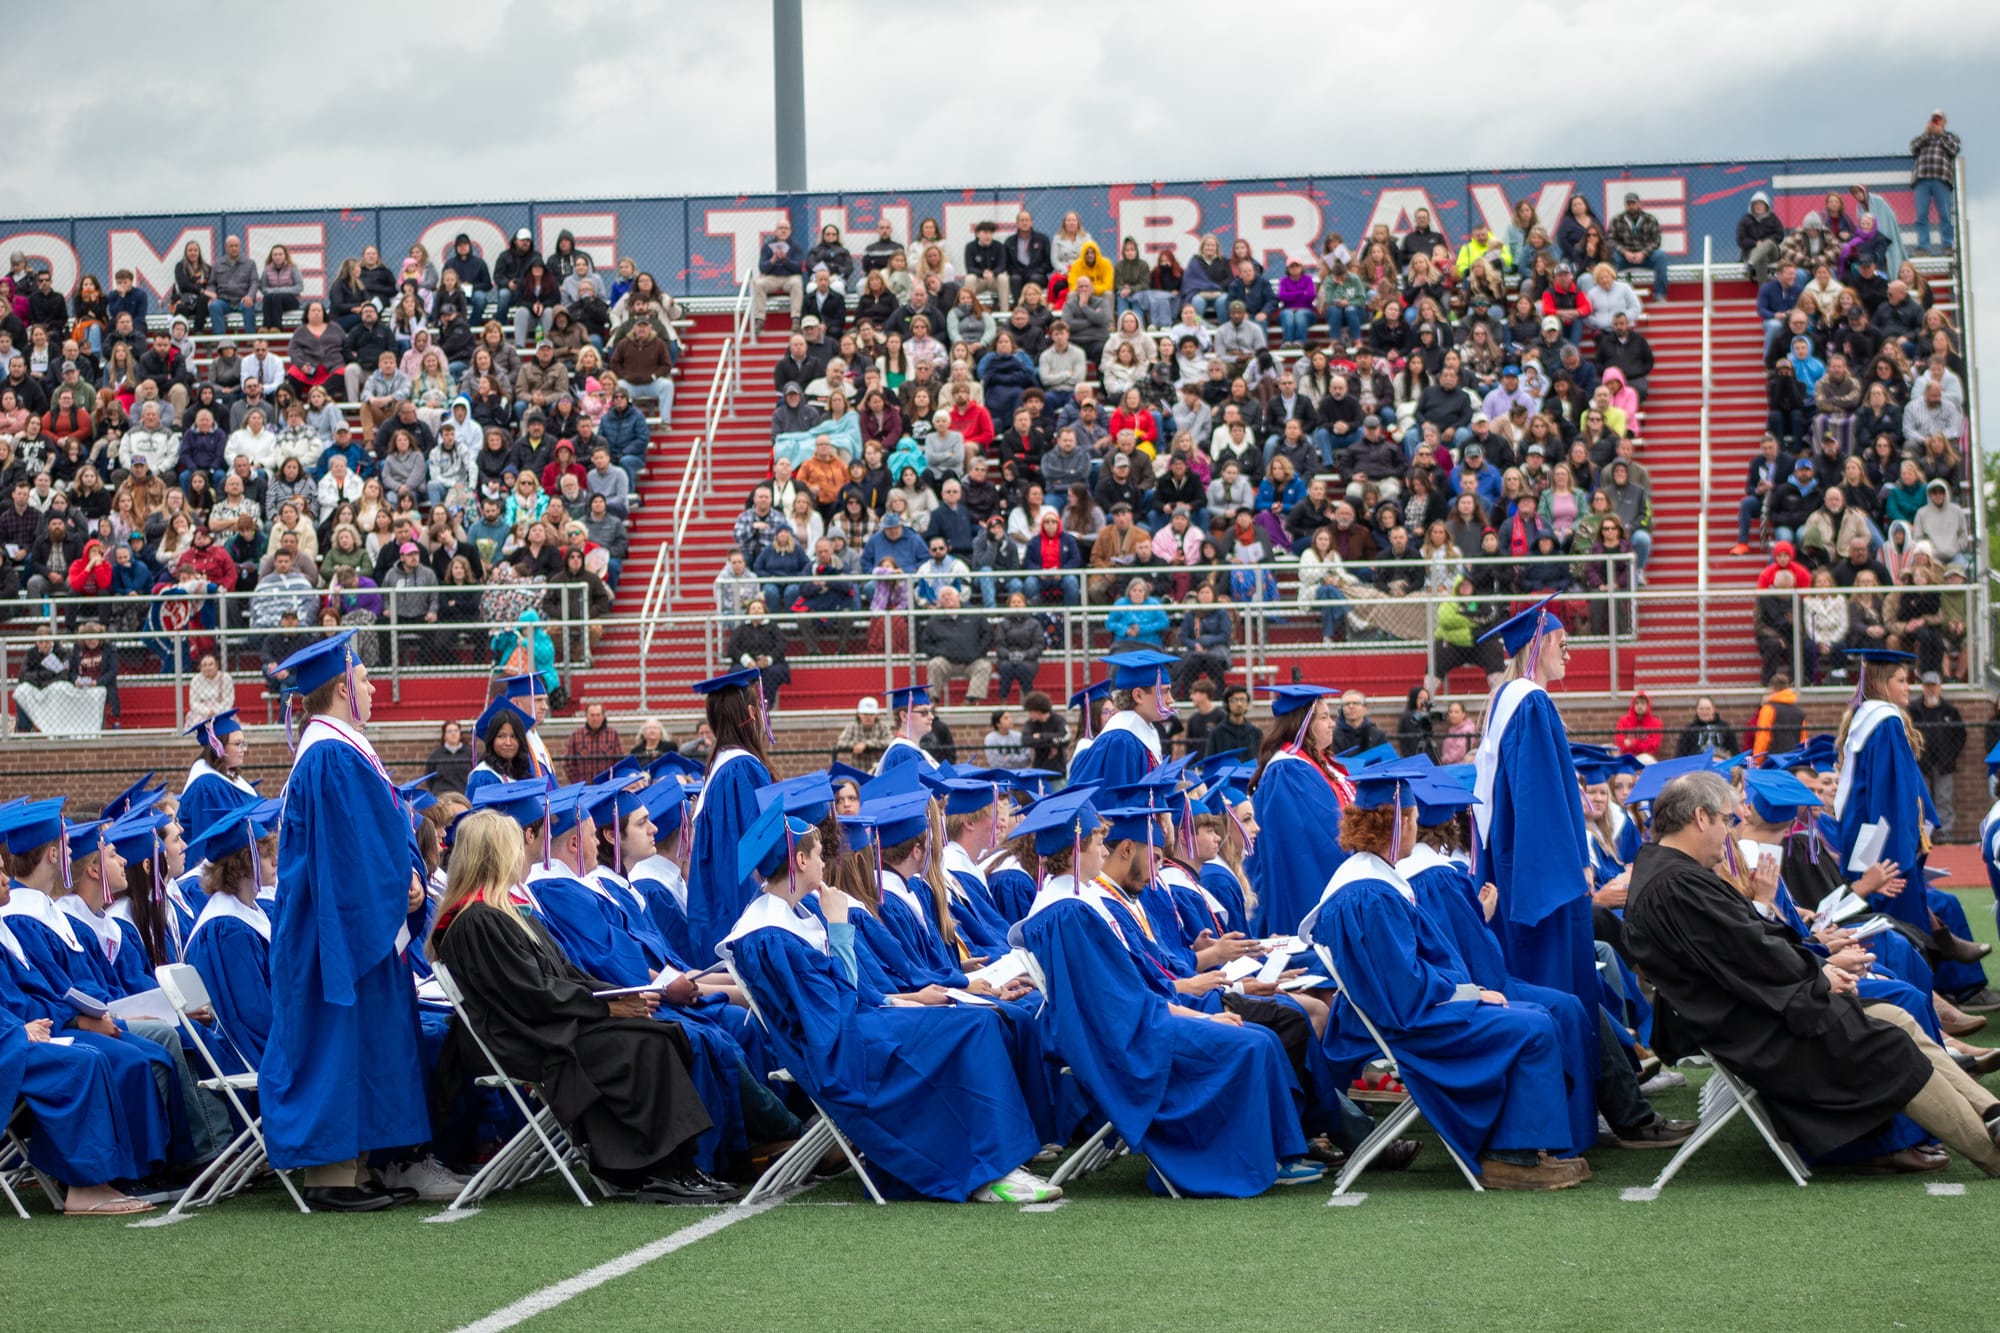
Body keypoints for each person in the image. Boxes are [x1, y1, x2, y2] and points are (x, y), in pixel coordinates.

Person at [1622, 770, 2000, 1177]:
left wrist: (1818, 967)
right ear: (1700, 817)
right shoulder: (1676, 885)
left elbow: (1748, 942)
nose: (1730, 832)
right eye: (1727, 820)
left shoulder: (1669, 874)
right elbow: (1748, 953)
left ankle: (1989, 1112)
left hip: (1748, 1008)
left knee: (1897, 1018)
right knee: (1887, 1045)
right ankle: (1989, 1152)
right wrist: (1819, 977)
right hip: (1751, 1028)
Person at [725, 800, 1060, 1203]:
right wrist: (838, 928)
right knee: (973, 1029)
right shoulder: (768, 934)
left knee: (974, 1019)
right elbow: (832, 1009)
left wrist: (896, 1001)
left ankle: (996, 1162)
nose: (824, 862)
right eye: (817, 853)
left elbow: (844, 992)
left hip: (855, 1024)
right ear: (798, 859)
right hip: (836, 1050)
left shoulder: (796, 914)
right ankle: (985, 1172)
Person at [1303, 763, 1590, 1190]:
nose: (1418, 826)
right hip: (1412, 1024)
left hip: (1414, 1010)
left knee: (1533, 1013)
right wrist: (1470, 995)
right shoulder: (1368, 894)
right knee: (1532, 1025)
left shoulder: (1375, 879)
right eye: (1414, 818)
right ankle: (1509, 1157)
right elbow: (1404, 987)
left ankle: (1522, 1147)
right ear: (1396, 822)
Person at [1008, 791, 1307, 1198]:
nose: (1103, 851)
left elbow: (1124, 994)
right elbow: (1119, 1004)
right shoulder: (1070, 913)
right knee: (1248, 1043)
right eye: (1098, 842)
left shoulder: (1070, 903)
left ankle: (1271, 1154)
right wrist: (1202, 1017)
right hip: (1124, 1042)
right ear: (1078, 848)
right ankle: (1238, 1161)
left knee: (1258, 1037)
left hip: (1127, 1026)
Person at [430, 809, 733, 1203]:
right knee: (642, 1044)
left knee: (662, 1031)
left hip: (550, 1023)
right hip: (525, 1036)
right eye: (517, 848)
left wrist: (620, 996)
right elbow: (532, 994)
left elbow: (568, 975)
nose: (526, 856)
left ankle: (676, 1164)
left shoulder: (508, 914)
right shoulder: (475, 921)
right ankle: (645, 1169)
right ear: (496, 856)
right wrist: (606, 1009)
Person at [255, 631, 431, 1210]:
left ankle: (355, 1168)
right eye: (364, 679)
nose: (374, 686)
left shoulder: (339, 748)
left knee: (362, 1042)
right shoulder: (329, 755)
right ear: (339, 688)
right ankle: (330, 1175)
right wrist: (396, 882)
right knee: (336, 1040)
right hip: (333, 927)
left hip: (348, 919)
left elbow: (372, 838)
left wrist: (406, 874)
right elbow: (346, 852)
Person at [1471, 597, 1602, 1041]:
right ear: (1539, 642)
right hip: (1538, 868)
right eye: (1562, 643)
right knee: (1553, 974)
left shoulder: (1506, 702)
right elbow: (1540, 795)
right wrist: (1574, 864)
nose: (1569, 653)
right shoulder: (1529, 703)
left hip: (1513, 857)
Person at [684, 667, 778, 964]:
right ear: (751, 712)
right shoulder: (740, 770)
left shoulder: (721, 766)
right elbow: (746, 859)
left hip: (720, 919)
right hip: (740, 923)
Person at [1065, 650, 1178, 790]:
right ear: (1138, 696)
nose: (1171, 700)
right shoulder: (1121, 740)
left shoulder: (1142, 732)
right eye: (1164, 692)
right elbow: (1118, 803)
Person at [178, 707, 258, 841]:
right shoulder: (206, 786)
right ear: (218, 747)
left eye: (244, 743)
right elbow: (207, 840)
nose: (244, 749)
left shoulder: (227, 777)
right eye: (238, 744)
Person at [1910, 111, 1961, 255]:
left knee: (1944, 214)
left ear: (1944, 122)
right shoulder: (1924, 137)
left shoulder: (1950, 137)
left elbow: (1954, 149)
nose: (1936, 122)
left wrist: (1941, 134)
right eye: (1934, 119)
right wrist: (1927, 133)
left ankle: (1947, 246)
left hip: (1941, 178)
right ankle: (1923, 247)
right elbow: (1913, 148)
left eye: (1939, 119)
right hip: (1922, 179)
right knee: (1921, 215)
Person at [874, 684, 941, 776]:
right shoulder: (902, 754)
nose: (931, 717)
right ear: (904, 716)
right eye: (924, 712)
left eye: (931, 711)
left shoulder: (917, 752)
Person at [835, 697, 892, 770]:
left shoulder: (883, 727)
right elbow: (840, 743)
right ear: (859, 714)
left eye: (871, 714)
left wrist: (866, 744)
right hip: (858, 770)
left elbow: (890, 741)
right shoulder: (852, 726)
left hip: (878, 770)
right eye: (865, 714)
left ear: (876, 715)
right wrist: (855, 745)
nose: (868, 717)